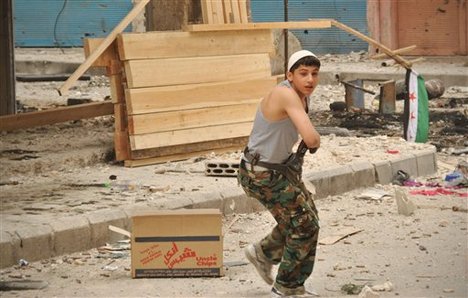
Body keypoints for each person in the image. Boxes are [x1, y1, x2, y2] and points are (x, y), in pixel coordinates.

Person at [237, 50, 321, 297]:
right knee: (303, 225)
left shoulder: (299, 95)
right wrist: (315, 141)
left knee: (307, 219)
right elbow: (311, 137)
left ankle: (263, 253)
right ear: (290, 75)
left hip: (277, 171)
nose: (310, 80)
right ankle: (287, 287)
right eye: (303, 73)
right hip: (261, 174)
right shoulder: (285, 94)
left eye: (314, 74)